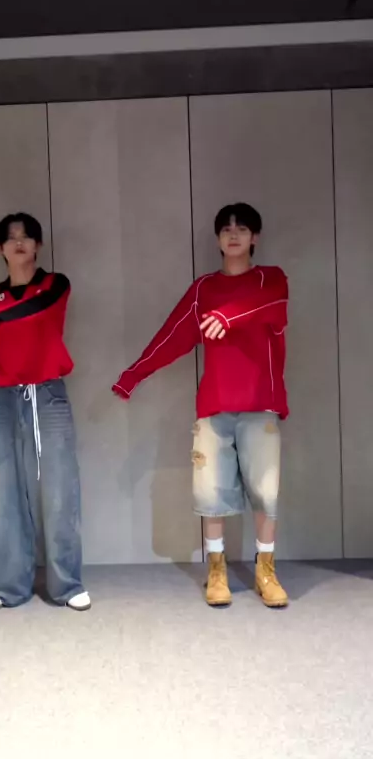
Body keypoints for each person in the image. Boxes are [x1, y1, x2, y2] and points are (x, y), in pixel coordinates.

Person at [113, 203, 289, 608]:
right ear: (217, 239)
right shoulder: (203, 289)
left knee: (266, 492)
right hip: (214, 405)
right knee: (210, 493)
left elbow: (269, 306)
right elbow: (172, 335)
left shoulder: (271, 279)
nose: (233, 235)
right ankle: (217, 571)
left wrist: (228, 317)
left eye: (241, 229)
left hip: (261, 403)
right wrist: (133, 375)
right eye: (226, 229)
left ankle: (266, 571)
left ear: (255, 237)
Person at [0, 212, 90, 613]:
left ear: (38, 245)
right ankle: (9, 586)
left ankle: (67, 585)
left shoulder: (54, 284)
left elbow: (36, 307)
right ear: (0, 248)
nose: (19, 243)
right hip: (4, 401)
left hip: (48, 396)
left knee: (59, 491)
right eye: (11, 238)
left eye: (27, 237)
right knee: (3, 493)